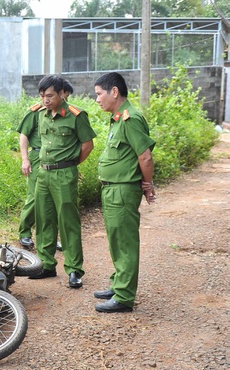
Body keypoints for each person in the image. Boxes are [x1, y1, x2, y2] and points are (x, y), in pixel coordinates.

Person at [93, 72, 156, 313]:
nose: (97, 99)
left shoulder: (130, 119)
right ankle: (119, 284)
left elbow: (145, 156)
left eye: (99, 94)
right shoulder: (118, 119)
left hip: (122, 191)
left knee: (125, 242)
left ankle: (124, 297)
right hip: (113, 190)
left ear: (114, 92)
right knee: (116, 240)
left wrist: (148, 186)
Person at [29, 75, 96, 289]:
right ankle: (47, 264)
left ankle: (74, 269)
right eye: (42, 96)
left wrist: (71, 164)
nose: (45, 100)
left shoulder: (76, 116)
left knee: (68, 222)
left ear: (61, 93)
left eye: (49, 96)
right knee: (44, 220)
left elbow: (88, 145)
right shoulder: (41, 114)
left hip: (64, 174)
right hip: (43, 173)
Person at [17, 80, 74, 249]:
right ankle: (25, 232)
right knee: (35, 197)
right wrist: (25, 159)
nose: (65, 99)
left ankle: (50, 237)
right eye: (44, 96)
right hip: (37, 157)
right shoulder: (37, 112)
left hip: (56, 161)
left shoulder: (67, 113)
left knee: (54, 201)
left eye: (67, 96)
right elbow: (23, 135)